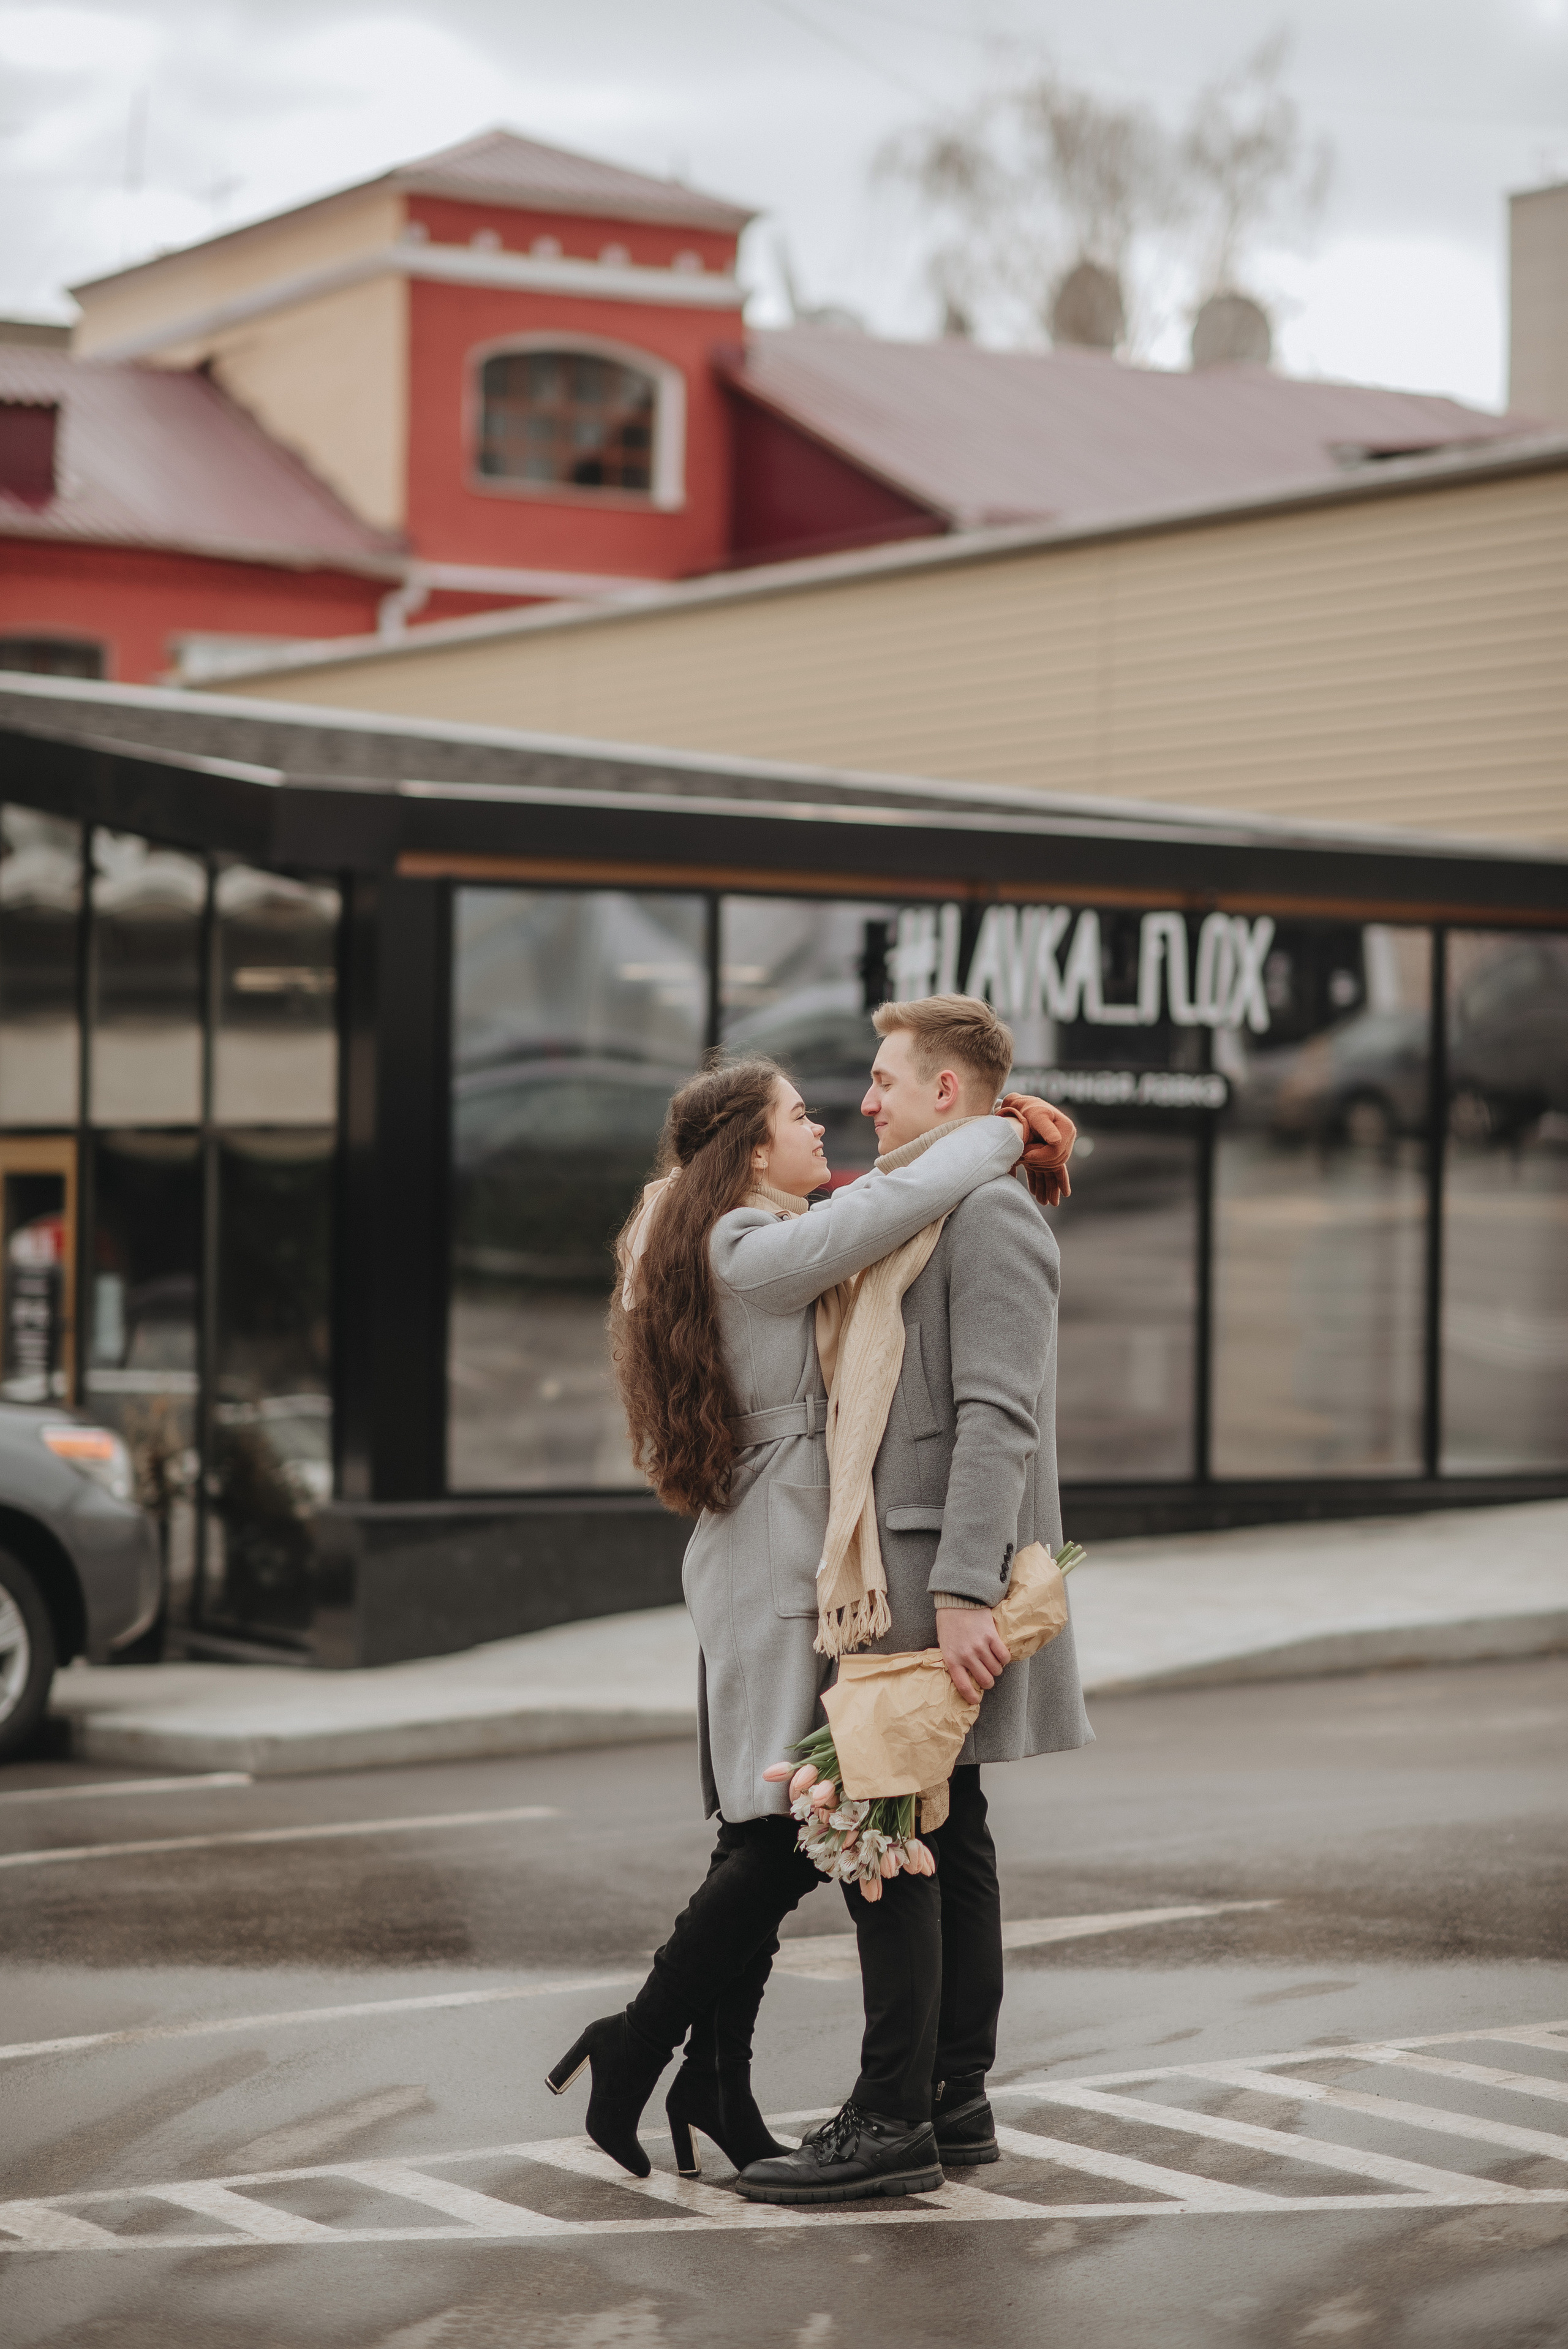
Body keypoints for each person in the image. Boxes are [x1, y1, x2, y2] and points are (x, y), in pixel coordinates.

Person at [546, 1052, 1072, 2184]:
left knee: (775, 1823)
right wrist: (987, 1137)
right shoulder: (741, 1245)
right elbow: (879, 1210)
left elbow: (858, 1217)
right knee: (792, 1826)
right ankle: (639, 2048)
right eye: (798, 1112)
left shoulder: (737, 1234)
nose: (824, 1121)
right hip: (780, 1553)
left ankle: (712, 2078)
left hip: (784, 1546)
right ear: (747, 1147)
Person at [737, 994, 1093, 2207]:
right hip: (903, 1568)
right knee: (950, 1830)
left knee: (882, 1834)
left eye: (886, 1080)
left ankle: (889, 2116)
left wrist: (957, 1594)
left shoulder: (988, 1218)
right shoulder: (922, 1213)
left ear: (948, 1093)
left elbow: (999, 1415)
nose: (865, 1102)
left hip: (929, 1577)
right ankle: (951, 2097)